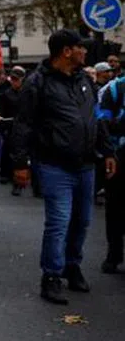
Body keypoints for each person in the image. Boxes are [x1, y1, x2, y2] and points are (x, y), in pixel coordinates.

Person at [11, 29, 117, 304]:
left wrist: (107, 151)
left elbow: (96, 120)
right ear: (66, 52)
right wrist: (20, 163)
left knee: (82, 221)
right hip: (54, 164)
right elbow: (23, 125)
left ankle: (72, 266)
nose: (85, 52)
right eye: (80, 48)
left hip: (85, 164)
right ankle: (51, 276)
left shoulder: (85, 81)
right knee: (59, 221)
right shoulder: (38, 83)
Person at [98, 65, 125, 273]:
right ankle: (114, 254)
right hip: (117, 156)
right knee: (115, 208)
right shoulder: (114, 89)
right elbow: (103, 123)